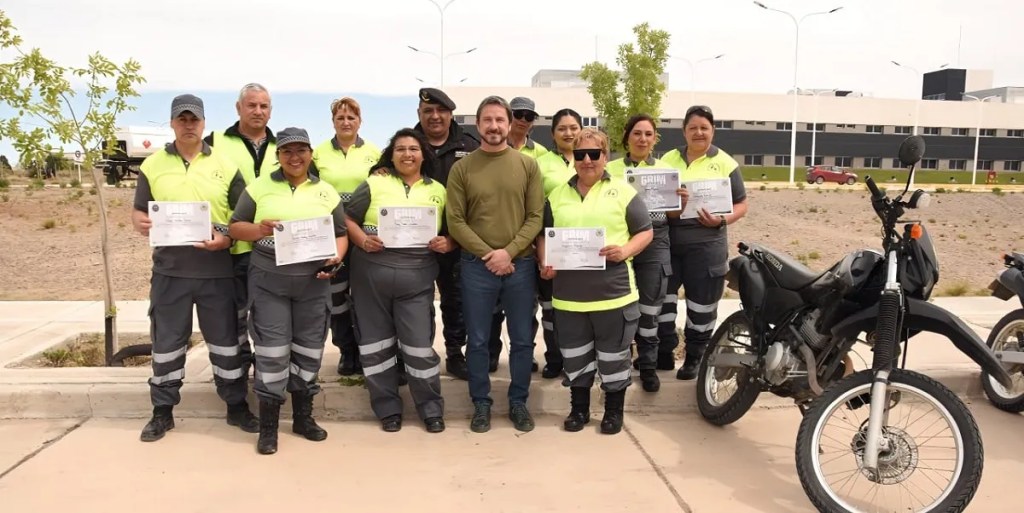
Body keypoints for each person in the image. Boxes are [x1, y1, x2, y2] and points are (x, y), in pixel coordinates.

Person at [131, 94, 256, 442]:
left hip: (217, 273)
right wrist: (139, 220)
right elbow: (139, 210)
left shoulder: (226, 166)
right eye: (182, 119)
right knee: (167, 344)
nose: (189, 124)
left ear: (204, 123)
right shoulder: (152, 165)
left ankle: (236, 407)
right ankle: (162, 412)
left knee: (226, 344)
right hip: (170, 273)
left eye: (194, 119)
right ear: (172, 123)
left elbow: (243, 219)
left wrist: (227, 237)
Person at [229, 127, 348, 455]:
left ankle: (302, 418)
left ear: (310, 153)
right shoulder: (259, 187)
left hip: (313, 284)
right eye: (286, 151)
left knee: (309, 350)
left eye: (301, 151)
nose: (294, 157)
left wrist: (337, 256)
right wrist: (258, 229)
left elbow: (340, 233)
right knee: (272, 352)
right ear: (278, 155)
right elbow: (236, 227)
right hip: (270, 282)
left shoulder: (326, 192)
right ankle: (268, 427)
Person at [538, 127, 653, 434]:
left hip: (613, 294)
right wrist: (545, 260)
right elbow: (543, 236)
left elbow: (645, 231)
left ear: (605, 156)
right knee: (576, 358)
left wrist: (625, 250)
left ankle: (614, 412)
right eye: (580, 154)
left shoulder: (624, 192)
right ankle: (579, 410)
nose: (587, 160)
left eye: (594, 154)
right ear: (573, 158)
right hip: (568, 297)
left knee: (614, 358)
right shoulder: (557, 195)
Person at [446, 95, 544, 433]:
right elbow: (456, 221)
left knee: (521, 340)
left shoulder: (528, 165)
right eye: (487, 120)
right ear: (478, 124)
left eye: (500, 120)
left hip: (521, 266)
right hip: (477, 267)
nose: (494, 126)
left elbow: (535, 217)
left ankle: (518, 402)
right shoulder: (462, 168)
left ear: (509, 123)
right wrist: (490, 254)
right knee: (476, 340)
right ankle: (481, 404)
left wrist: (510, 252)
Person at [345, 128, 451, 433]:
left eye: (414, 149)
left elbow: (452, 230)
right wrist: (363, 240)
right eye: (401, 149)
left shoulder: (438, 191)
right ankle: (387, 408)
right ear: (391, 155)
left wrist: (448, 243)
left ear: (423, 155)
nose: (407, 154)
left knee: (419, 348)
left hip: (416, 280)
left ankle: (430, 409)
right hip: (371, 278)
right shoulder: (374, 183)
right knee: (376, 347)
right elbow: (347, 218)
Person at [659, 105, 749, 381]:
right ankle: (664, 352)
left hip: (707, 244)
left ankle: (694, 358)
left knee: (702, 305)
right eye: (692, 128)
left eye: (704, 128)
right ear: (684, 131)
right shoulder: (667, 159)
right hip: (670, 244)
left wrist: (722, 220)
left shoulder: (725, 163)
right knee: (663, 301)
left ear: (712, 130)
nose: (698, 133)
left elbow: (742, 204)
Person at [205, 83, 278, 379]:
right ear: (238, 108)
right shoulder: (215, 142)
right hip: (230, 248)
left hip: (270, 251)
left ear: (270, 111)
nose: (258, 111)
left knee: (268, 317)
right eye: (251, 105)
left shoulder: (284, 146)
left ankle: (266, 374)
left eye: (263, 106)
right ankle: (236, 377)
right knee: (233, 317)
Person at [311, 97, 381, 376]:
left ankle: (368, 349)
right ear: (333, 122)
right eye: (340, 118)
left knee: (365, 297)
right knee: (337, 298)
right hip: (331, 236)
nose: (346, 122)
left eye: (351, 117)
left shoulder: (374, 153)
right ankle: (346, 350)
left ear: (359, 121)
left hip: (364, 235)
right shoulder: (318, 154)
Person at [414, 87, 480, 381]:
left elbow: (480, 197)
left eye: (441, 111)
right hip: (416, 242)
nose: (435, 116)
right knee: (417, 300)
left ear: (451, 114)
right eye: (428, 111)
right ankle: (419, 352)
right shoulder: (408, 142)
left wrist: (455, 239)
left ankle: (455, 352)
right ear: (419, 114)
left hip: (457, 240)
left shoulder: (470, 145)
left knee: (456, 300)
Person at [605, 114, 672, 392]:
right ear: (627, 137)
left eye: (648, 134)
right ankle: (617, 364)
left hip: (655, 242)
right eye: (637, 133)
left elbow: (674, 215)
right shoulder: (609, 168)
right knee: (617, 310)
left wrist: (679, 201)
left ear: (654, 138)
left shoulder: (666, 170)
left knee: (649, 310)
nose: (642, 139)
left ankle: (647, 366)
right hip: (619, 240)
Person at [488, 96, 546, 373]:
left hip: (526, 243)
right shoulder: (489, 148)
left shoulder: (542, 155)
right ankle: (490, 354)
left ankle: (525, 354)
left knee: (525, 309)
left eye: (529, 115)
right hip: (490, 244)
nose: (523, 119)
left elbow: (537, 205)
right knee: (491, 311)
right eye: (518, 114)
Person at [532, 108, 582, 379]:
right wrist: (541, 254)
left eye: (573, 127)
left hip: (585, 248)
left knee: (578, 309)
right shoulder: (541, 163)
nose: (568, 133)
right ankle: (553, 358)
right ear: (553, 133)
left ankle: (579, 361)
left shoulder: (591, 158)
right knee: (551, 308)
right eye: (562, 128)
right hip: (551, 245)